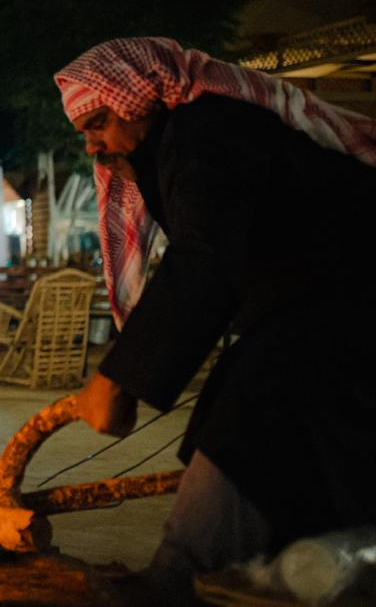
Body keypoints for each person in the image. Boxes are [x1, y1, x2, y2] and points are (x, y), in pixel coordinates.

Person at [54, 38, 376, 602]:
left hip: (348, 304)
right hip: (318, 310)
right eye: (84, 131)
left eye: (99, 121)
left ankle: (178, 578)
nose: (92, 146)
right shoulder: (183, 142)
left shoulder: (209, 134)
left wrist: (117, 379)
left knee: (251, 411)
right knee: (250, 411)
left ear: (141, 99)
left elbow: (205, 260)